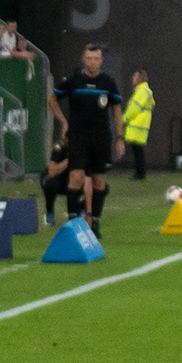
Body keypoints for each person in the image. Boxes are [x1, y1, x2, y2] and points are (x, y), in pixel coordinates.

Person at [45, 45, 125, 238]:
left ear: (101, 60)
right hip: (78, 138)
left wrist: (119, 138)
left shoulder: (108, 82)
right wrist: (63, 120)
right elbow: (51, 100)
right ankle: (73, 225)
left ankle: (95, 223)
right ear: (83, 59)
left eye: (96, 59)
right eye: (89, 58)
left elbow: (116, 109)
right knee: (76, 178)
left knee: (98, 182)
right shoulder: (73, 81)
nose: (93, 62)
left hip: (101, 138)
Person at [123, 69, 154, 180]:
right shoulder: (146, 91)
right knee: (138, 150)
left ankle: (140, 173)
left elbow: (134, 108)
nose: (133, 79)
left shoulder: (142, 91)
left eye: (135, 77)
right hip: (141, 125)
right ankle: (140, 172)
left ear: (139, 79)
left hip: (137, 124)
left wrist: (124, 118)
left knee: (137, 151)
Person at [40, 141, 69, 227]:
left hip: (71, 179)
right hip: (56, 178)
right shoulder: (60, 148)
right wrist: (69, 160)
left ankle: (78, 212)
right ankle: (49, 214)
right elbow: (52, 172)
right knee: (51, 184)